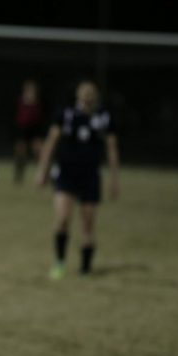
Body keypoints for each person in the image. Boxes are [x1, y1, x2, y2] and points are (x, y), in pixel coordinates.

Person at [35, 79, 119, 278]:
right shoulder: (65, 115)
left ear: (96, 96)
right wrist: (42, 171)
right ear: (78, 95)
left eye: (91, 92)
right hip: (66, 174)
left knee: (88, 225)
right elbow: (50, 143)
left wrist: (115, 179)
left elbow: (112, 149)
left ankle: (85, 269)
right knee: (63, 219)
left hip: (90, 176)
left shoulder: (104, 118)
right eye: (84, 92)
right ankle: (60, 262)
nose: (88, 96)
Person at [13, 78, 46, 184]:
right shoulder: (20, 100)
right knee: (21, 152)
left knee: (39, 152)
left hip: (35, 129)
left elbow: (40, 116)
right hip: (23, 129)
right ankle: (19, 175)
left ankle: (42, 175)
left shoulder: (38, 102)